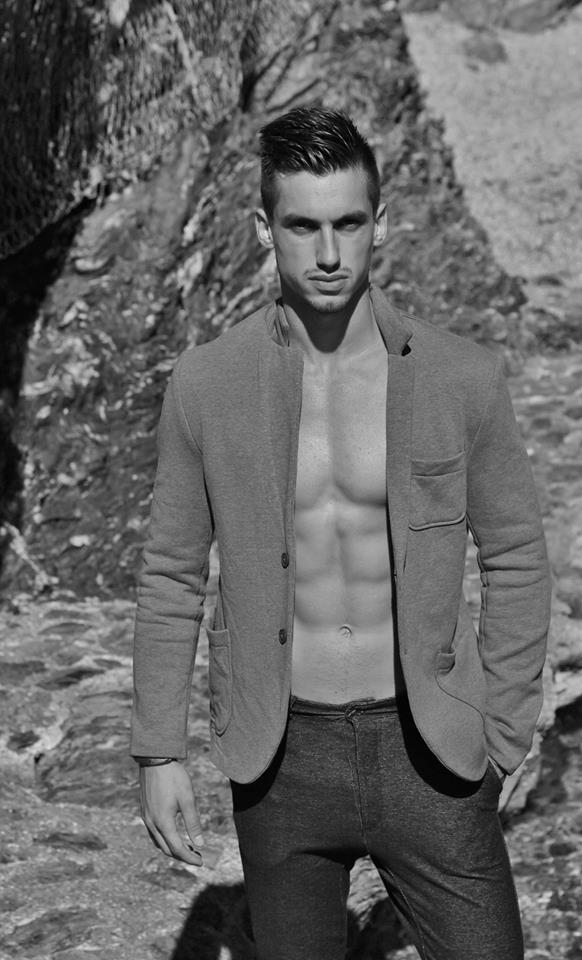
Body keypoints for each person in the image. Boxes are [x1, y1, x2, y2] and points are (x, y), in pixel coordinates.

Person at [131, 106, 551, 960]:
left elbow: (515, 554)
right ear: (265, 229)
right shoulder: (206, 385)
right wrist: (158, 753)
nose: (328, 253)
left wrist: (508, 726)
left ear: (379, 223)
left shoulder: (462, 377)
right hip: (283, 763)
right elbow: (172, 574)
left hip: (430, 753)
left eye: (349, 224)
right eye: (303, 226)